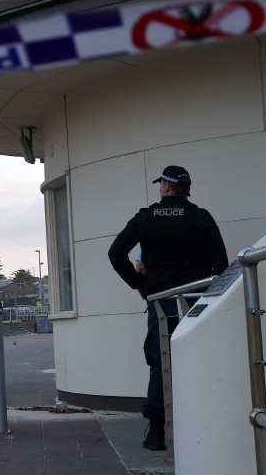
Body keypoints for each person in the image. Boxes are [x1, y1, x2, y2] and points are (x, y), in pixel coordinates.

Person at [109, 165, 228, 451]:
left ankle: (157, 432)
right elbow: (222, 266)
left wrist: (139, 284)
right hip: (197, 301)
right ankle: (202, 423)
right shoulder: (201, 218)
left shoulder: (146, 217)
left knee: (161, 360)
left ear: (165, 186)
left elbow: (115, 252)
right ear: (186, 189)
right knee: (200, 357)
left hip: (160, 301)